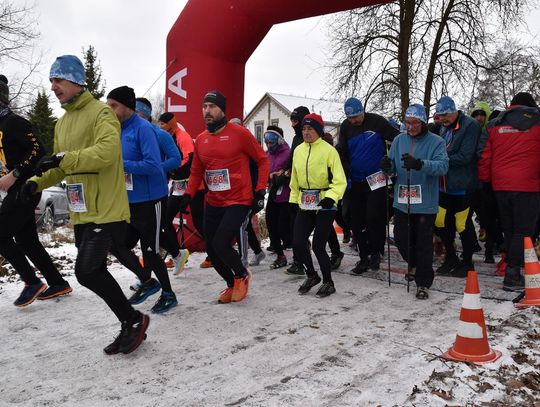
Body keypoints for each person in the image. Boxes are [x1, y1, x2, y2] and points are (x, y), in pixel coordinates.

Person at [23, 55, 149, 354]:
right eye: (51, 81)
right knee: (93, 272)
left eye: (58, 80)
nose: (53, 87)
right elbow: (60, 166)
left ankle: (133, 319)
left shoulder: (101, 113)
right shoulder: (62, 123)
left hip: (106, 208)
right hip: (81, 211)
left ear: (76, 81)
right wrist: (35, 182)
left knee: (87, 271)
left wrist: (63, 158)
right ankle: (130, 321)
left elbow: (107, 152)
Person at [178, 90, 270, 303]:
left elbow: (262, 160)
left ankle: (242, 275)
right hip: (214, 201)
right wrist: (188, 195)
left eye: (212, 106)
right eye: (204, 107)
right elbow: (196, 171)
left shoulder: (239, 133)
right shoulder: (201, 139)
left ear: (222, 109)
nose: (207, 111)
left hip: (239, 199)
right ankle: (231, 283)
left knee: (221, 243)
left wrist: (260, 190)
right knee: (211, 248)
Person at [0, 74, 72, 307]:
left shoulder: (15, 122)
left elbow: (38, 150)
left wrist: (16, 173)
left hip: (27, 187)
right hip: (16, 190)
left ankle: (31, 282)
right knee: (26, 240)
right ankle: (58, 282)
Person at [106, 86, 177, 314]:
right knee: (117, 244)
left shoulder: (144, 129)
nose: (109, 110)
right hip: (127, 201)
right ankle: (147, 281)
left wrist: (121, 165)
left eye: (114, 105)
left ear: (128, 106)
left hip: (150, 200)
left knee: (150, 251)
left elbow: (153, 165)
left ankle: (168, 295)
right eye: (108, 105)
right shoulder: (116, 129)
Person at [381, 104, 449, 299]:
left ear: (423, 122)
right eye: (407, 123)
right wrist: (387, 166)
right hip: (402, 201)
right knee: (401, 238)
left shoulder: (436, 142)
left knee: (423, 244)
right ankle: (414, 265)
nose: (410, 127)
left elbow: (443, 167)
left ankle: (423, 282)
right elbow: (392, 168)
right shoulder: (398, 140)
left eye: (415, 123)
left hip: (425, 202)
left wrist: (420, 164)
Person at [478, 92, 540, 291]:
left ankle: (511, 267)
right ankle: (512, 273)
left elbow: (484, 156)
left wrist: (486, 182)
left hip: (501, 186)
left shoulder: (494, 124)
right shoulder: (538, 122)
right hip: (528, 185)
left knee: (510, 229)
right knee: (524, 231)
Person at [336, 97, 399, 274]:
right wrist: (346, 172)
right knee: (355, 220)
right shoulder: (346, 127)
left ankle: (376, 252)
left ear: (363, 111)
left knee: (374, 217)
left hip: (376, 178)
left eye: (357, 116)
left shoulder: (377, 121)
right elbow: (341, 151)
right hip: (356, 180)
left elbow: (397, 138)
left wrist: (390, 160)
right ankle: (363, 257)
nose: (354, 121)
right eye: (350, 118)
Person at [290, 113, 346, 297]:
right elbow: (294, 180)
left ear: (319, 131)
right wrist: (293, 200)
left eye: (311, 129)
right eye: (304, 129)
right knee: (298, 243)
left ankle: (328, 282)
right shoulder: (298, 150)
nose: (306, 132)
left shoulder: (329, 151)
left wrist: (331, 197)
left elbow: (340, 180)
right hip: (305, 202)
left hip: (325, 204)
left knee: (318, 246)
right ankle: (312, 275)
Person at [135, 98, 189, 275]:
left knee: (152, 233)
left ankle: (147, 276)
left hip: (156, 190)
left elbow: (176, 159)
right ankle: (176, 254)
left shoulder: (160, 134)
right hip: (134, 192)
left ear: (144, 114)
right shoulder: (126, 132)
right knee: (147, 231)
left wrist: (155, 168)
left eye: (135, 112)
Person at [433, 96, 481, 277]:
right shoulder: (444, 127)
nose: (442, 119)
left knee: (462, 224)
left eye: (446, 115)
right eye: (440, 115)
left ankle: (467, 262)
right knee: (441, 222)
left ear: (454, 111)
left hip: (463, 185)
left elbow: (465, 156)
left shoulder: (470, 125)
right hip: (444, 185)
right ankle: (451, 257)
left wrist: (440, 160)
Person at [158, 112, 206, 268]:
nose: (160, 127)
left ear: (170, 124)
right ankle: (178, 254)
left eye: (162, 124)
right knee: (165, 219)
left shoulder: (182, 136)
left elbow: (190, 159)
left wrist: (174, 170)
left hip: (194, 185)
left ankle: (215, 253)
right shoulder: (168, 138)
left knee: (199, 222)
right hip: (179, 186)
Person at [280, 106, 310, 275]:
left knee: (324, 230)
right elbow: (291, 159)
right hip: (296, 189)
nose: (293, 125)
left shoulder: (314, 139)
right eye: (291, 121)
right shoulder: (296, 139)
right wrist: (283, 171)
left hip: (315, 191)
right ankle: (299, 261)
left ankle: (335, 251)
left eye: (296, 121)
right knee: (296, 226)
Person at [264, 126, 291, 269]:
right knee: (270, 223)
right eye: (267, 143)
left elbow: (292, 170)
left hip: (287, 194)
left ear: (279, 141)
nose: (269, 146)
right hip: (274, 193)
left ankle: (301, 246)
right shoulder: (267, 154)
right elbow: (264, 170)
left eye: (271, 143)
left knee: (283, 227)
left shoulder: (288, 153)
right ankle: (280, 256)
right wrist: (268, 177)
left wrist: (283, 175)